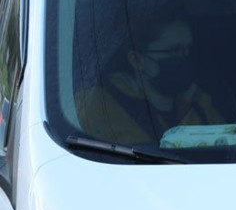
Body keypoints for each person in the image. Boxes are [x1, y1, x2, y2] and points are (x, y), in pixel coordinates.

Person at [76, 13, 227, 145]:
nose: (184, 57)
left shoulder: (200, 104)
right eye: (174, 50)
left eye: (187, 48)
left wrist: (184, 110)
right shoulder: (96, 106)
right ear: (136, 60)